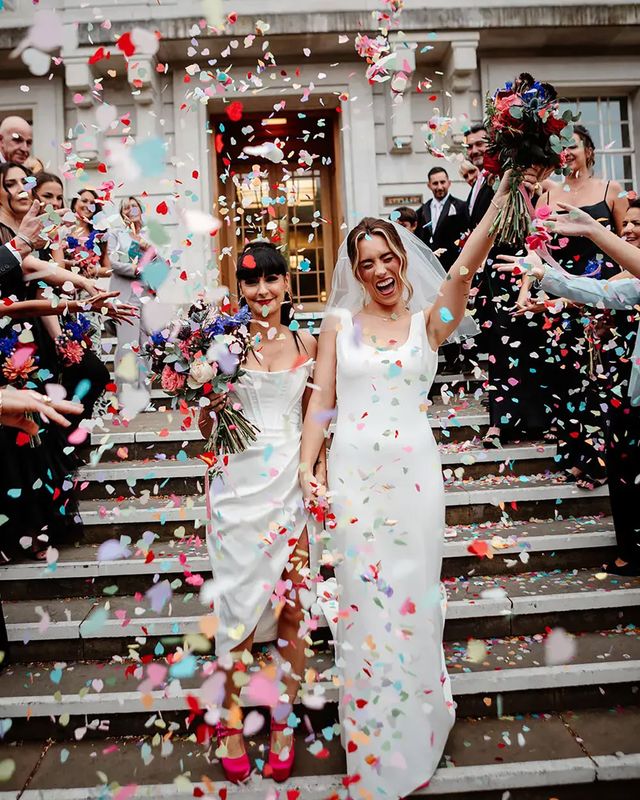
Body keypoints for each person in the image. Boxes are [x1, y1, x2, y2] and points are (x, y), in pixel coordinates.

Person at [299, 168, 545, 798]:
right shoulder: (336, 326)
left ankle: (414, 729)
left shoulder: (427, 322)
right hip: (353, 479)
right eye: (366, 262)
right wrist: (309, 466)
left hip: (412, 482)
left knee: (410, 598)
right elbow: (321, 401)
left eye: (388, 258)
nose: (379, 270)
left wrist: (503, 200)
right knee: (360, 603)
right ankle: (371, 738)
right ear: (354, 272)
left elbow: (463, 269)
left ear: (403, 260)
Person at [198, 241, 323, 784]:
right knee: (239, 615)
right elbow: (207, 432)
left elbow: (316, 417)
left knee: (292, 613)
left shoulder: (308, 341)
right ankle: (228, 723)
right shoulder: (221, 347)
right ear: (240, 289)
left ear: (286, 285)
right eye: (251, 283)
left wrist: (317, 477)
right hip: (237, 489)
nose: (262, 291)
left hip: (290, 487)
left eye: (272, 280)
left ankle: (281, 724)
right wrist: (211, 402)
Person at [497, 199, 640, 575]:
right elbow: (602, 294)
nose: (629, 230)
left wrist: (594, 230)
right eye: (626, 224)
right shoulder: (629, 279)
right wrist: (542, 275)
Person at [535, 124, 628, 488]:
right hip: (559, 293)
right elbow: (536, 246)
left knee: (600, 380)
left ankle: (599, 460)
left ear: (589, 150)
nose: (566, 153)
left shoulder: (610, 190)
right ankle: (574, 455)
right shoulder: (548, 194)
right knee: (567, 379)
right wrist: (532, 286)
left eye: (572, 146)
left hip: (604, 294)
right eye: (560, 148)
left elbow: (628, 243)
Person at [107, 196, 154, 393]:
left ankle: (144, 395)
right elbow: (114, 262)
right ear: (122, 213)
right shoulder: (116, 234)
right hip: (126, 297)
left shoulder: (150, 234)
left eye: (133, 205)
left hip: (148, 296)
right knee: (127, 348)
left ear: (141, 209)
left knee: (147, 348)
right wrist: (138, 269)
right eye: (126, 207)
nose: (130, 209)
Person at [416, 166, 470, 271]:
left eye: (442, 182)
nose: (440, 187)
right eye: (435, 183)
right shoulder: (421, 211)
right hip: (430, 267)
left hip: (454, 265)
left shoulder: (461, 207)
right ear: (429, 185)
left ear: (449, 183)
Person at [465, 124, 494, 227]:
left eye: (479, 144)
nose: (474, 151)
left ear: (491, 143)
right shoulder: (477, 181)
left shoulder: (498, 176)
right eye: (469, 147)